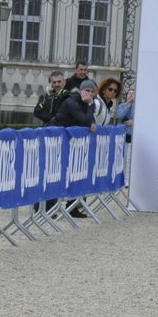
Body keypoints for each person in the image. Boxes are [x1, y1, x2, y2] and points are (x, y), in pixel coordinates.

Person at [50, 78, 99, 216]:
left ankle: (74, 207)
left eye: (91, 91)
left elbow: (90, 119)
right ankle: (45, 207)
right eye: (86, 91)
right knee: (53, 174)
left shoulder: (88, 102)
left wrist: (92, 119)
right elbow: (84, 121)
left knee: (78, 173)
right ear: (81, 90)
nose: (89, 94)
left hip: (70, 143)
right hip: (55, 140)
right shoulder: (71, 101)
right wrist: (89, 107)